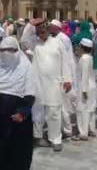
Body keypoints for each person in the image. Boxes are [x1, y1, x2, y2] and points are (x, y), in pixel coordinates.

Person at [0, 37, 37, 170]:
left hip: (17, 122)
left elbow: (31, 93)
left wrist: (23, 113)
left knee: (18, 156)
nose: (6, 53)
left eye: (10, 50)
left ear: (17, 50)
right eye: (3, 50)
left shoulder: (25, 66)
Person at [31, 24, 72, 152]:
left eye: (43, 31)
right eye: (39, 32)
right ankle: (37, 137)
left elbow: (66, 61)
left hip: (54, 83)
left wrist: (67, 79)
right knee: (38, 111)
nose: (41, 34)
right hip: (38, 83)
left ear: (48, 31)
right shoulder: (35, 45)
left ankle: (55, 139)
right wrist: (31, 24)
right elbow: (23, 40)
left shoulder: (57, 43)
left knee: (54, 111)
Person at [48, 19, 77, 138]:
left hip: (64, 76)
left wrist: (68, 78)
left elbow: (67, 59)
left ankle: (68, 129)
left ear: (57, 28)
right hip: (56, 76)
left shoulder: (63, 38)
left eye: (51, 26)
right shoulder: (52, 38)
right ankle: (61, 129)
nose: (49, 28)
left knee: (64, 106)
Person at [73, 38, 97, 141]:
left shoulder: (84, 58)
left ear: (82, 47)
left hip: (85, 86)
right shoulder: (89, 57)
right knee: (90, 109)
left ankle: (83, 133)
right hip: (91, 86)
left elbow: (84, 75)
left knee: (82, 110)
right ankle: (91, 129)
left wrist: (83, 90)